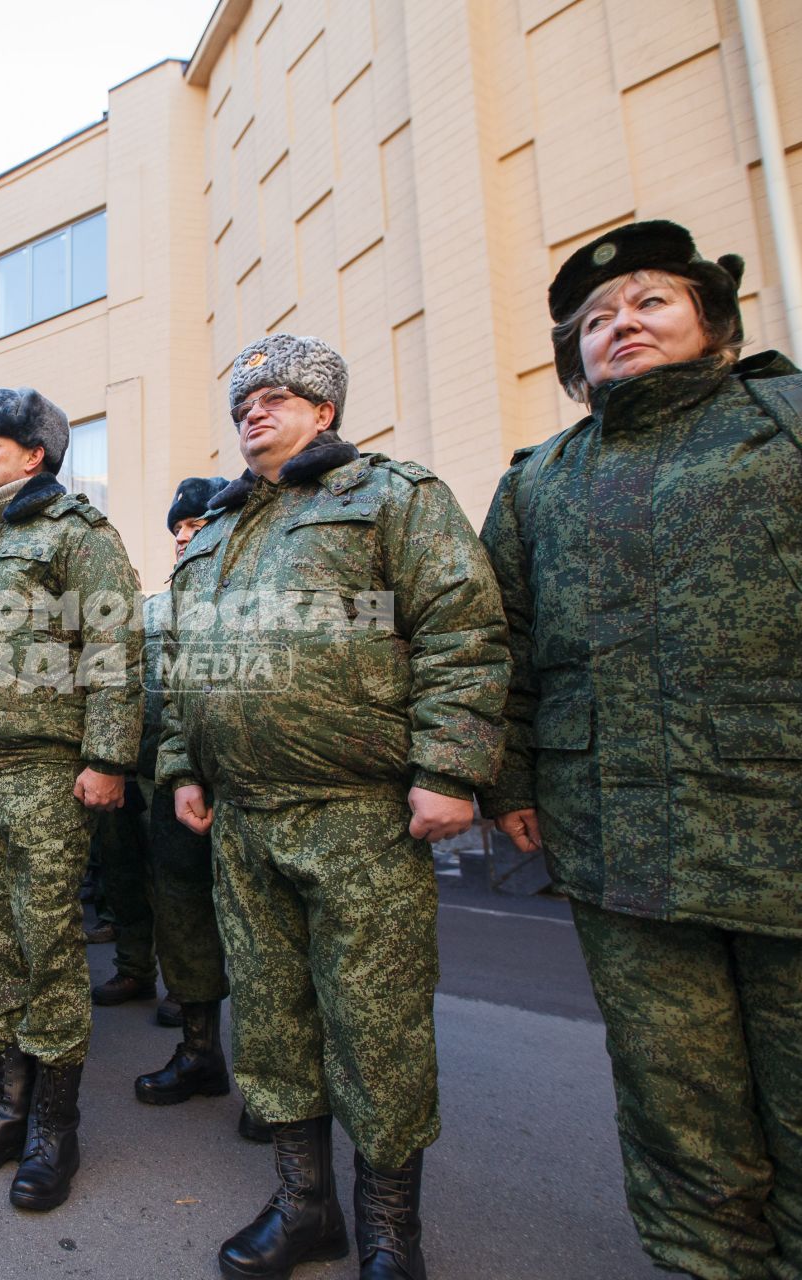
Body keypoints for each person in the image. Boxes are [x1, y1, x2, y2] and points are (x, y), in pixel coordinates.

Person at [479, 219, 802, 1280]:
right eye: (596, 321)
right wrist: (511, 778)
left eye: (650, 301)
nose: (622, 325)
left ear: (713, 318)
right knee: (679, 1129)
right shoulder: (537, 483)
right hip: (626, 851)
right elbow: (504, 650)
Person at [159, 334, 510, 1280]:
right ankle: (304, 1202)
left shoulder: (391, 496)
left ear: (325, 411)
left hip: (357, 812)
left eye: (277, 397)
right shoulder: (220, 533)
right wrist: (183, 765)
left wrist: (450, 765)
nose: (254, 412)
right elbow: (183, 665)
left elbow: (461, 631)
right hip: (242, 816)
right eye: (243, 403)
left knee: (376, 1019)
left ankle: (391, 1225)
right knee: (272, 1019)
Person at [0, 387, 142, 1213]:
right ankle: (7, 1107)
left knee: (47, 941)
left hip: (49, 772)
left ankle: (57, 1128)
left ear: (37, 454)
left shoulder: (76, 535)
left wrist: (107, 757)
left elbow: (114, 645)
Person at [132, 477, 243, 1120]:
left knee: (257, 933)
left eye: (195, 528)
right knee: (181, 919)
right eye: (177, 531)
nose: (183, 540)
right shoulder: (154, 609)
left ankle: (276, 1084)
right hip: (171, 783)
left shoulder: (254, 600)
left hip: (244, 785)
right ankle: (200, 1052)